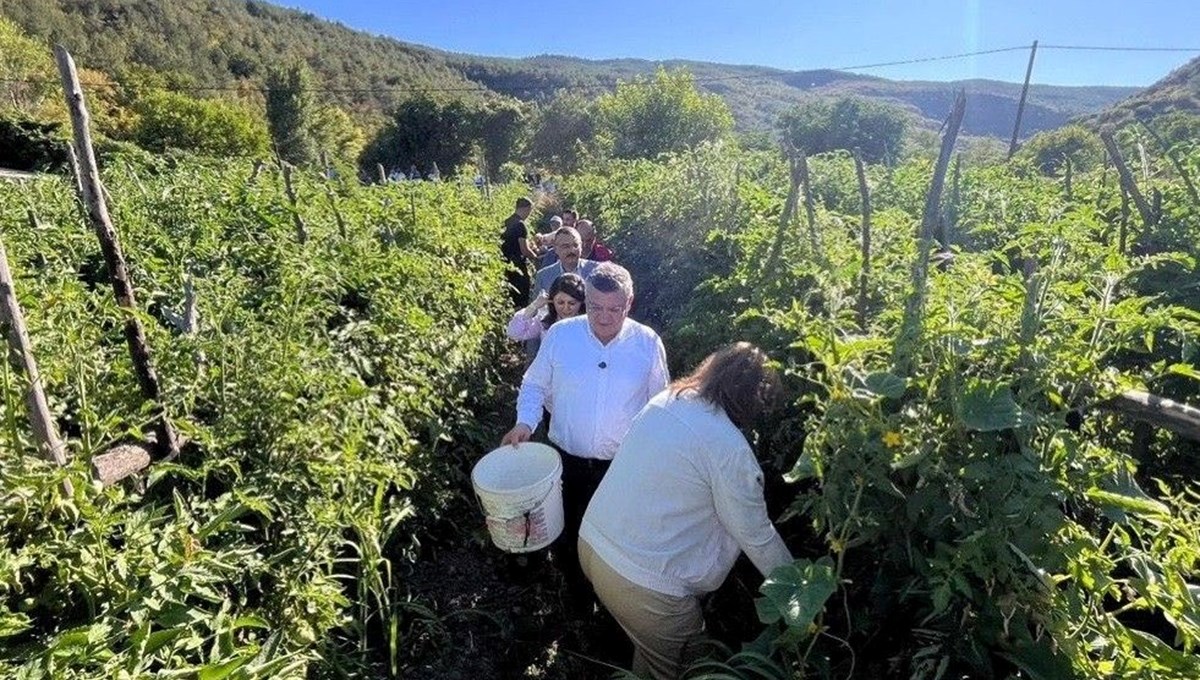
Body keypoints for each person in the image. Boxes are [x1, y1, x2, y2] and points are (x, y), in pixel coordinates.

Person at [579, 343, 794, 680]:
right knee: (694, 667)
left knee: (651, 652)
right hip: (643, 585)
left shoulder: (668, 400)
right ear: (752, 398)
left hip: (595, 544)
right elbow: (757, 535)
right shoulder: (729, 449)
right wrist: (801, 594)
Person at [501, 263, 669, 607]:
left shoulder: (647, 343)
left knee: (616, 539)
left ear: (630, 302)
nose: (604, 317)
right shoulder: (562, 336)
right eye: (595, 307)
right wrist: (525, 423)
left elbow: (659, 407)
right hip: (568, 462)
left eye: (614, 309)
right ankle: (577, 599)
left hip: (621, 468)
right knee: (570, 533)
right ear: (585, 300)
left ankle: (611, 603)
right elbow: (534, 385)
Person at [505, 272, 585, 341]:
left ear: (581, 302)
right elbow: (513, 333)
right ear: (552, 301)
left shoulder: (590, 323)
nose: (566, 308)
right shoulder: (544, 321)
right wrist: (534, 305)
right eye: (560, 303)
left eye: (572, 303)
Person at [531, 226, 598, 302]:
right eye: (566, 246)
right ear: (555, 249)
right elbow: (536, 309)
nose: (572, 250)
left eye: (575, 245)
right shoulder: (543, 276)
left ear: (581, 247)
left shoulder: (596, 271)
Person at [500, 197, 540, 309]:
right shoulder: (520, 225)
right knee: (522, 295)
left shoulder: (506, 222)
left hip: (505, 264)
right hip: (518, 265)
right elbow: (524, 250)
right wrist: (536, 257)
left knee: (511, 295)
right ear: (527, 208)